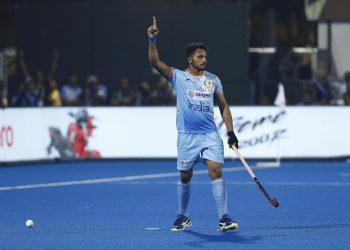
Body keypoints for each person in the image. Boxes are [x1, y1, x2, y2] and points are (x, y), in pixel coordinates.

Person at [147, 17, 239, 232]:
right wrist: (152, 40)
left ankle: (224, 217)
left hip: (210, 134)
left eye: (206, 56)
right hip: (187, 135)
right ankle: (183, 215)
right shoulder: (177, 76)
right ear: (190, 59)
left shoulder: (213, 79)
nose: (204, 59)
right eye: (200, 56)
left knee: (215, 171)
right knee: (185, 176)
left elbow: (224, 106)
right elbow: (154, 63)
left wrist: (231, 132)